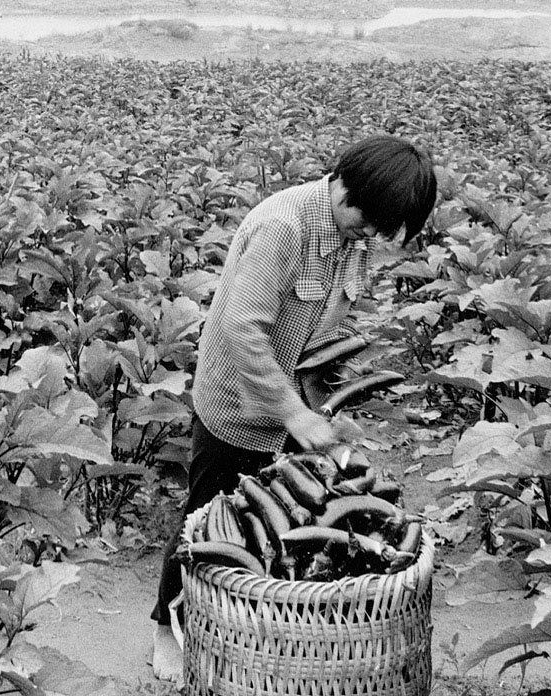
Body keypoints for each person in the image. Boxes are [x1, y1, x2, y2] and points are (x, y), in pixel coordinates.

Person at [151, 135, 437, 682]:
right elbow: (241, 329)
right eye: (371, 221)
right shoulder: (285, 228)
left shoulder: (349, 232)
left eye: (383, 229)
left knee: (271, 529)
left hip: (287, 406)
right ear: (346, 185)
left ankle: (253, 631)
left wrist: (323, 400)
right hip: (237, 403)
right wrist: (295, 413)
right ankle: (166, 626)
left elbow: (325, 322)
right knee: (207, 521)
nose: (373, 236)